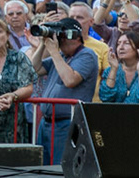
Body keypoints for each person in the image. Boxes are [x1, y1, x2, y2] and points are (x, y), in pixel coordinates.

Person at [30, 22, 97, 168]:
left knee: (60, 167)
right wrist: (43, 44)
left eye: (61, 34)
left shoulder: (86, 55)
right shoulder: (61, 56)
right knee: (43, 165)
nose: (59, 39)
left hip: (67, 123)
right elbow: (33, 69)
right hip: (47, 122)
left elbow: (70, 80)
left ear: (74, 36)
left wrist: (53, 52)